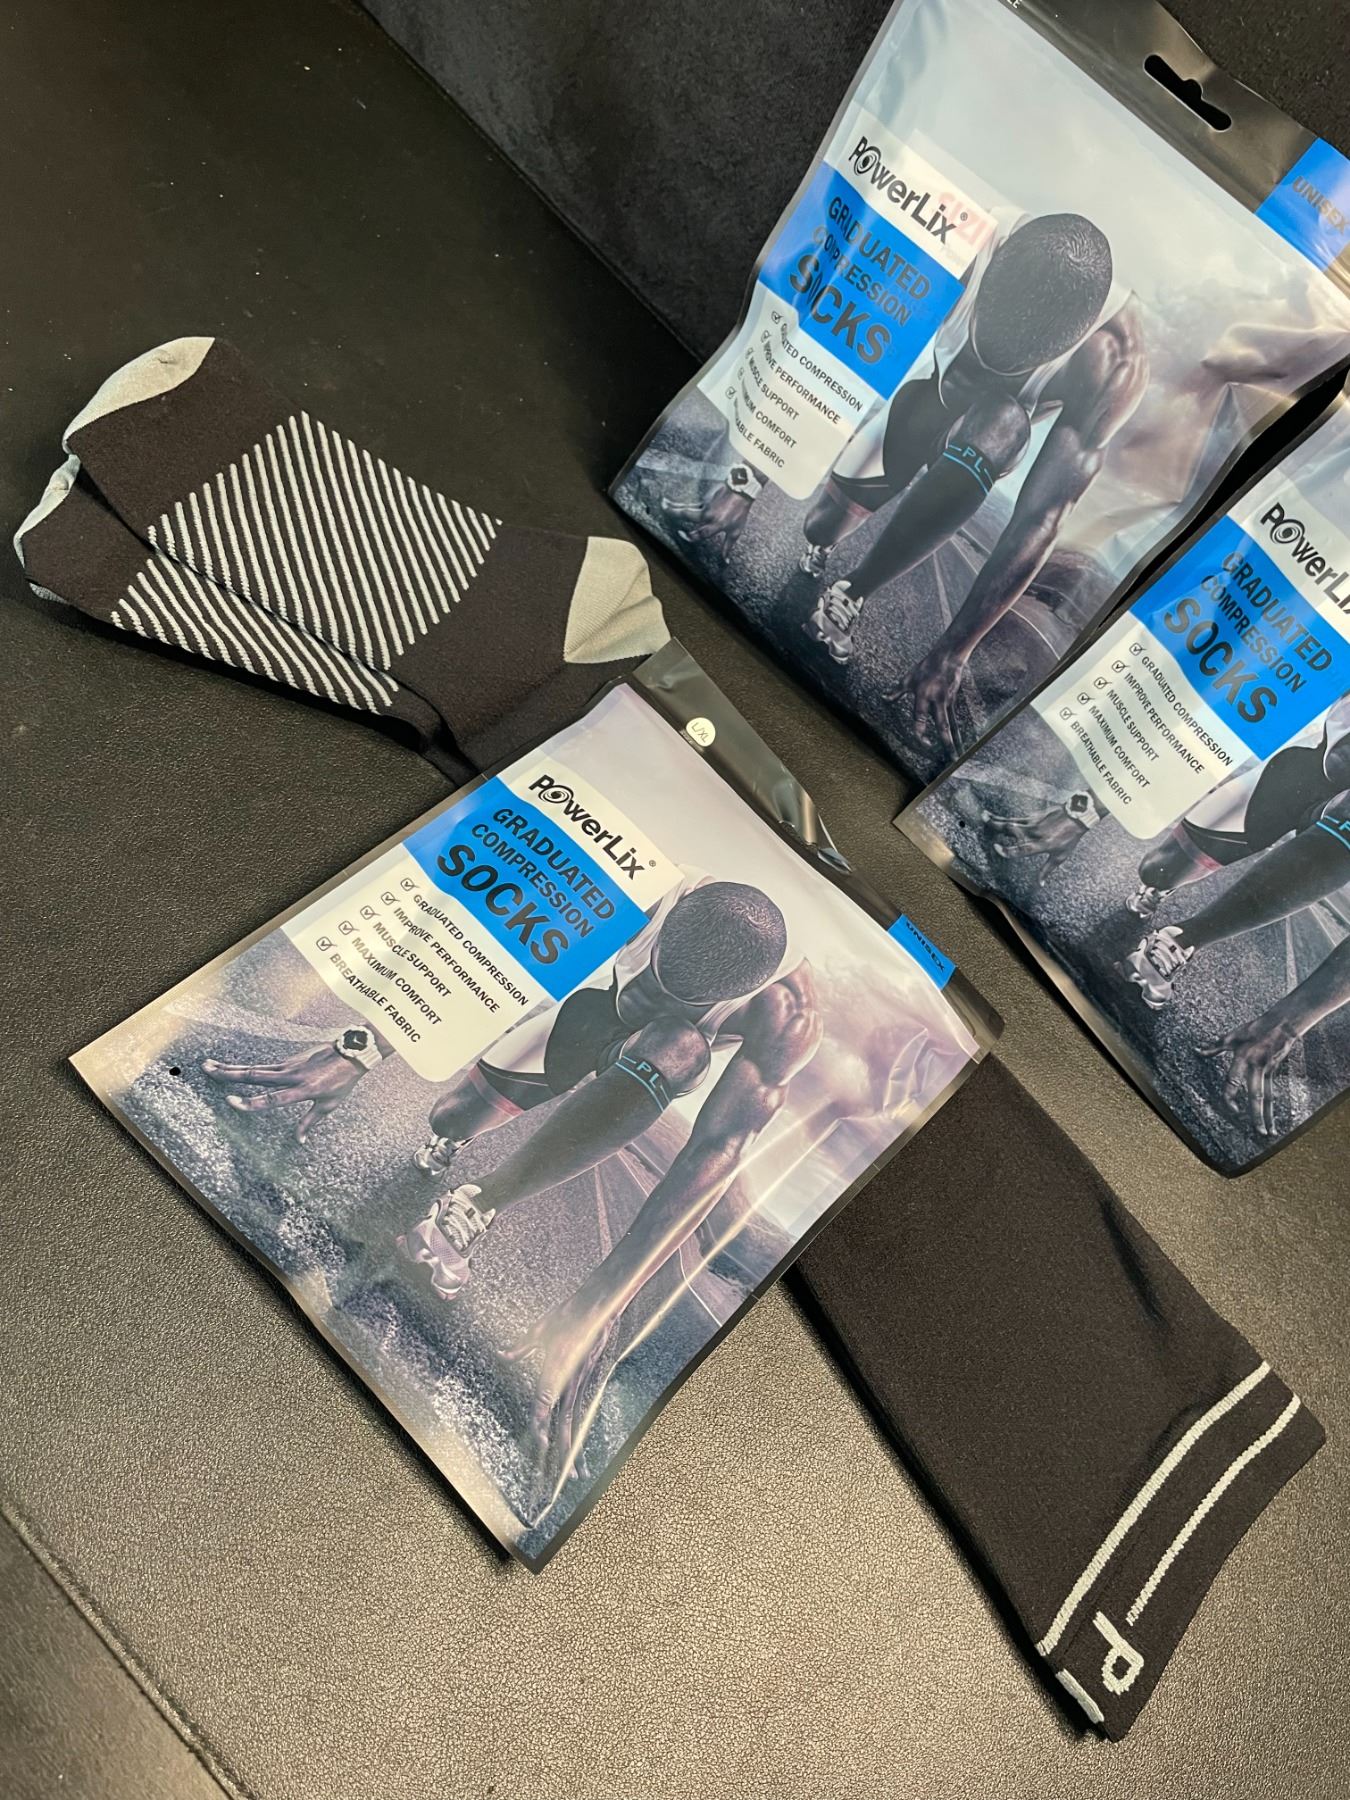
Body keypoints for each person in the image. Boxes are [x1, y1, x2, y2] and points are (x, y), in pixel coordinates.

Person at [201, 878, 825, 1503]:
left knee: (683, 1047)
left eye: (683, 997)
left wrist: (599, 1307)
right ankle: (448, 1142)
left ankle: (479, 1202)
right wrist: (357, 1048)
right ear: (675, 916)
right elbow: (470, 952)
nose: (660, 995)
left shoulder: (786, 1015)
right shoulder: (643, 888)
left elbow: (716, 1150)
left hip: (643, 1057)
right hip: (586, 1011)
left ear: (738, 994)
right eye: (660, 974)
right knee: (452, 1116)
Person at [665, 212, 1150, 756]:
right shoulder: (959, 241)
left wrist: (953, 653)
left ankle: (852, 592)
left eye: (1015, 360)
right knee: (820, 526)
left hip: (982, 432)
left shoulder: (1112, 363)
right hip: (918, 392)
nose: (992, 361)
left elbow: (1043, 516)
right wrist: (744, 480)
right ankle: (821, 548)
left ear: (1076, 338)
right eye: (988, 336)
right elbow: (829, 345)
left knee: (1006, 423)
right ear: (998, 258)